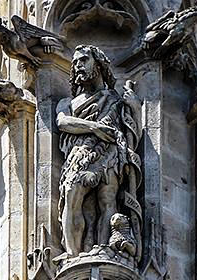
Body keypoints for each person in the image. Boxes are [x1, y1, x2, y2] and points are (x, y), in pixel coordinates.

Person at [56, 45, 142, 258]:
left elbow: (130, 130)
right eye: (75, 63)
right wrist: (94, 127)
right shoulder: (69, 102)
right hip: (80, 154)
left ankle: (104, 249)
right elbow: (62, 122)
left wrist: (136, 108)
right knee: (71, 195)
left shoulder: (114, 99)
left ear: (99, 64)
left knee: (108, 199)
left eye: (84, 60)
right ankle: (72, 254)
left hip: (109, 153)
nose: (78, 66)